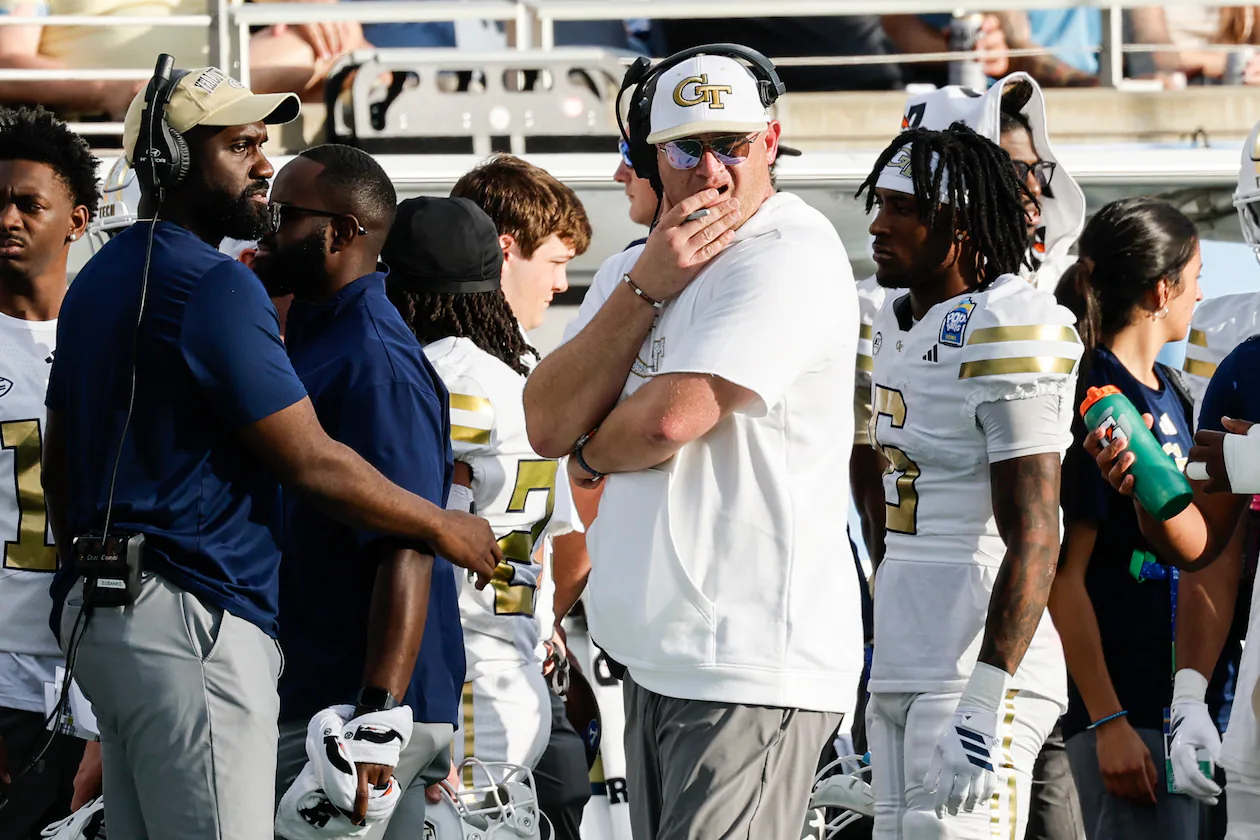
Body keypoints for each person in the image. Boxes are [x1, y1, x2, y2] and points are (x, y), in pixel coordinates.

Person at [40, 64, 500, 840]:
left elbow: (58, 467)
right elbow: (310, 461)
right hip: (187, 620)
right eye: (240, 145)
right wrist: (443, 524)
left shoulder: (93, 278)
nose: (263, 165)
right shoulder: (214, 284)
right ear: (172, 162)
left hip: (102, 620)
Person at [524, 46, 861, 839]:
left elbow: (670, 420)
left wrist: (591, 452)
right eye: (685, 149)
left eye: (731, 145)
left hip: (748, 663)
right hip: (656, 660)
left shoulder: (791, 251)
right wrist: (649, 282)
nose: (711, 170)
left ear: (770, 142)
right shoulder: (632, 269)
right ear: (655, 159)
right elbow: (543, 418)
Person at [859, 122, 1083, 840]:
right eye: (880, 203)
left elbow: (1037, 532)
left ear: (959, 226)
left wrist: (987, 696)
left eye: (903, 209)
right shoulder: (890, 321)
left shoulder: (1008, 321)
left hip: (974, 657)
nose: (878, 223)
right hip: (903, 645)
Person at [246, 144, 468, 838]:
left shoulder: (372, 359)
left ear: (341, 232)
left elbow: (409, 538)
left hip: (355, 708)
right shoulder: (325, 336)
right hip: (333, 690)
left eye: (284, 215)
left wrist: (376, 718)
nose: (266, 228)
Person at [380, 193, 557, 786]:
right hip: (509, 662)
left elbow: (428, 524)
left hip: (468, 686)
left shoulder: (448, 375)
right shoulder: (509, 369)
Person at [449, 153, 596, 839]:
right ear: (506, 249)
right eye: (556, 260)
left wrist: (540, 620)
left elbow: (561, 539)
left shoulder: (531, 370)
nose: (564, 284)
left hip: (520, 658)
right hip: (467, 670)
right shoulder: (447, 370)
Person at [1049, 197, 1204, 840]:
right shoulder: (1095, 391)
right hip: (1125, 709)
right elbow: (1064, 576)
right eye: (1195, 280)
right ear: (1163, 289)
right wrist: (1106, 721)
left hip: (1179, 707)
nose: (1202, 296)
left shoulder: (1174, 389)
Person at [0, 106, 96, 840]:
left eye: (28, 203)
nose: (7, 217)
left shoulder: (117, 337)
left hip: (99, 673)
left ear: (77, 220)